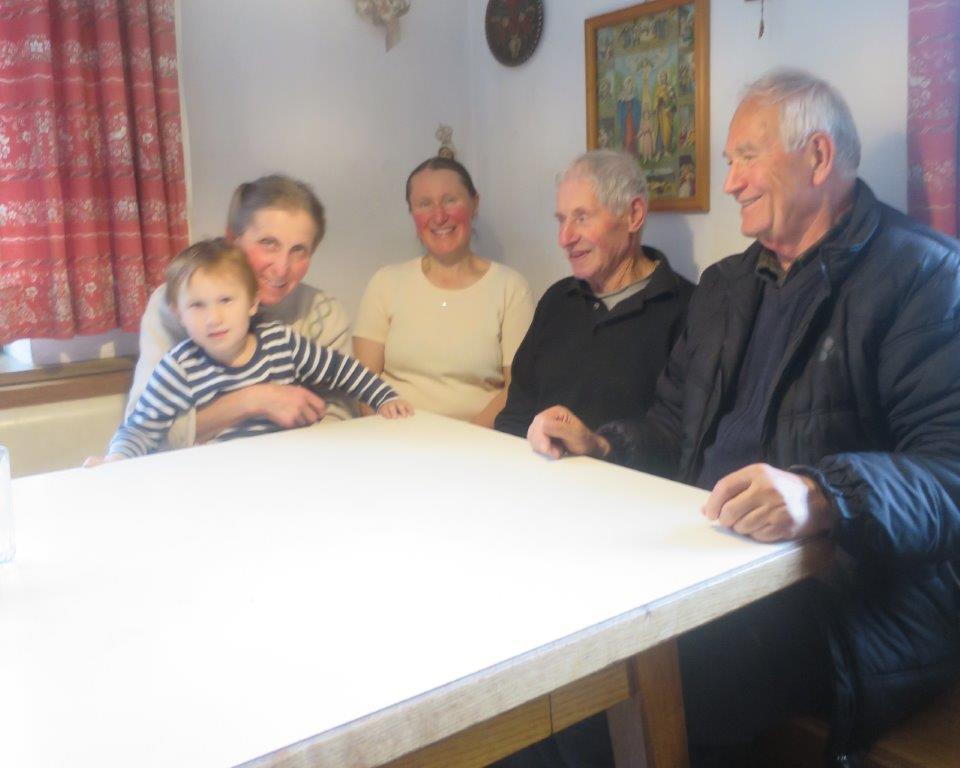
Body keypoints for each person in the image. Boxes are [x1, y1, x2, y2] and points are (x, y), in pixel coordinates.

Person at [523, 70, 960, 765]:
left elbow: (949, 473)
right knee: (538, 637)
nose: (729, 183)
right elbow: (673, 428)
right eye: (728, 163)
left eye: (746, 158)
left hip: (843, 596)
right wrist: (602, 443)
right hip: (705, 563)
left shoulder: (924, 276)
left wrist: (823, 496)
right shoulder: (726, 285)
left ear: (818, 157)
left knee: (600, 699)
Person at [87, 240, 411, 465]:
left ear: (253, 303)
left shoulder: (281, 343)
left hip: (288, 471)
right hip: (217, 481)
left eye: (226, 301)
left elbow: (342, 371)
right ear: (178, 313)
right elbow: (140, 429)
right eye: (197, 305)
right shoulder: (178, 368)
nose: (213, 318)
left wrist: (384, 397)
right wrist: (116, 458)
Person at [128, 174, 354, 449]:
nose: (281, 268)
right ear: (232, 240)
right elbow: (145, 432)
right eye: (268, 243)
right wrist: (253, 400)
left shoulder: (323, 312)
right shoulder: (175, 304)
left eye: (298, 250)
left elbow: (341, 414)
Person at [495, 149, 694, 440]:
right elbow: (515, 414)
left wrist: (596, 446)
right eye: (561, 220)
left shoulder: (688, 309)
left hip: (621, 470)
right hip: (533, 466)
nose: (565, 238)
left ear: (634, 215)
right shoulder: (557, 300)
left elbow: (678, 438)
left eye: (582, 217)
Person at [352, 157, 534, 427]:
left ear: (474, 204)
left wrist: (464, 440)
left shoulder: (511, 288)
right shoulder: (385, 283)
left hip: (478, 442)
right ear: (412, 213)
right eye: (424, 204)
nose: (439, 216)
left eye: (450, 200)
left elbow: (516, 389)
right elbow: (364, 383)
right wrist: (386, 436)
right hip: (393, 439)